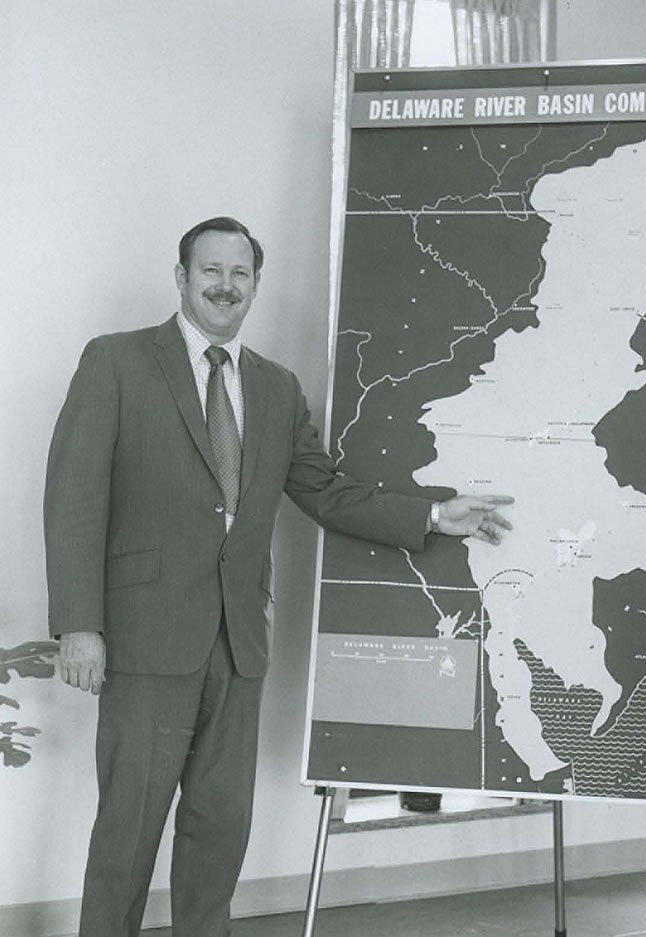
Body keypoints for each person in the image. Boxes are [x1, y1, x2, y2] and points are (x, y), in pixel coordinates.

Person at [44, 216, 513, 937]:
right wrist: (80, 624)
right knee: (126, 836)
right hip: (143, 645)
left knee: (219, 832)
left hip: (238, 647)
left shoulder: (276, 388)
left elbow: (327, 491)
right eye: (211, 270)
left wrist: (433, 516)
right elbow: (73, 498)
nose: (225, 285)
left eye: (240, 273)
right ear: (181, 277)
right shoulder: (117, 362)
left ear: (256, 284)